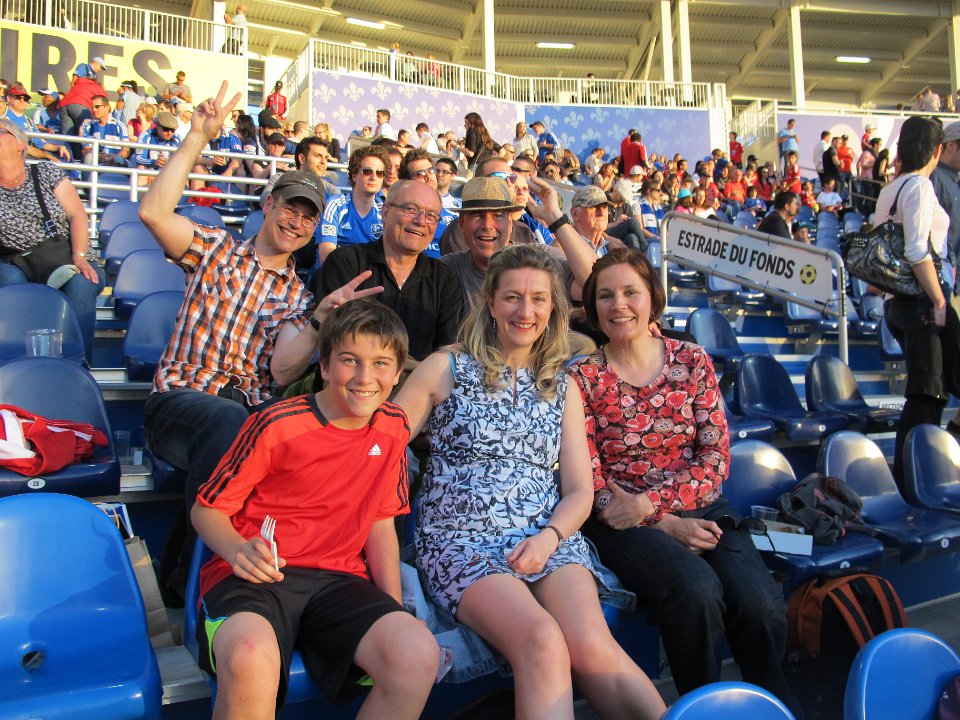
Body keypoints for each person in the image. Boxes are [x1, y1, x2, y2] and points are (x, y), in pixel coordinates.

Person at [398, 244, 666, 720]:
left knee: (591, 644)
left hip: (546, 536)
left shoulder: (562, 385)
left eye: (539, 299)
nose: (526, 311)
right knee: (542, 641)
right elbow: (378, 447)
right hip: (461, 542)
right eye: (512, 297)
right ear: (490, 302)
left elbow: (580, 491)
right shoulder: (446, 368)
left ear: (553, 308)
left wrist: (549, 538)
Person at [138, 82, 381, 603]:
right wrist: (197, 137)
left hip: (246, 413)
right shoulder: (214, 249)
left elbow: (282, 371)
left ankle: (310, 582)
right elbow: (154, 214)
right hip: (181, 400)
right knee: (232, 425)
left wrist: (319, 320)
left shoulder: (297, 296)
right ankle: (187, 581)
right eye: (291, 208)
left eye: (309, 216)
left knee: (273, 435)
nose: (298, 222)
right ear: (269, 204)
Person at [568, 247, 800, 716]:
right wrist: (659, 521)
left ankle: (774, 704)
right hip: (621, 521)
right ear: (592, 308)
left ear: (652, 299)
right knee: (696, 591)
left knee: (760, 603)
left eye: (631, 292)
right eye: (606, 296)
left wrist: (655, 505)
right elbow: (590, 477)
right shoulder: (582, 377)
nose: (619, 305)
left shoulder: (691, 360)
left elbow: (715, 458)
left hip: (701, 505)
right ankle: (702, 707)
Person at [192, 299, 438, 719]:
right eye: (349, 360)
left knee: (415, 652)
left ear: (398, 373)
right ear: (324, 366)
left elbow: (381, 521)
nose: (364, 378)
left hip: (338, 580)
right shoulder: (276, 424)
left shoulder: (393, 426)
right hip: (258, 577)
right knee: (250, 655)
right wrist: (237, 550)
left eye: (380, 363)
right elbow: (206, 510)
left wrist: (393, 607)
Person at [878, 116, 954, 484]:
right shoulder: (920, 186)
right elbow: (916, 251)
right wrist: (939, 301)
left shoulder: (890, 188)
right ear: (937, 150)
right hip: (920, 302)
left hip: (897, 302)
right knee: (926, 395)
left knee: (931, 390)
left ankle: (929, 469)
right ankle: (916, 481)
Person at [315, 180, 463, 364]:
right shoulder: (345, 263)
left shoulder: (444, 279)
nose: (421, 221)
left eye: (431, 215)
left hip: (420, 380)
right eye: (410, 209)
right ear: (385, 212)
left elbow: (447, 352)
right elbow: (331, 342)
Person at [0, 117, 104, 362]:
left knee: (82, 283)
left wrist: (80, 256)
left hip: (64, 256)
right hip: (15, 261)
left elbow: (77, 214)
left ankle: (78, 364)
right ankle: (15, 362)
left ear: (20, 144)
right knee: (12, 279)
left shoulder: (45, 171)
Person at [315, 144, 390, 266]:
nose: (374, 177)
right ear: (354, 175)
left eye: (380, 173)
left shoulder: (384, 211)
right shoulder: (336, 205)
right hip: (335, 273)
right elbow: (326, 255)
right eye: (367, 172)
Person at [79, 95, 131, 166]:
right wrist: (97, 155)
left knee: (118, 159)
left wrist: (113, 156)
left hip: (114, 163)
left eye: (97, 106)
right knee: (89, 156)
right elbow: (86, 148)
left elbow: (126, 150)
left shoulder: (119, 126)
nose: (94, 110)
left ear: (107, 107)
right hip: (95, 162)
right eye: (92, 107)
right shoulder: (87, 125)